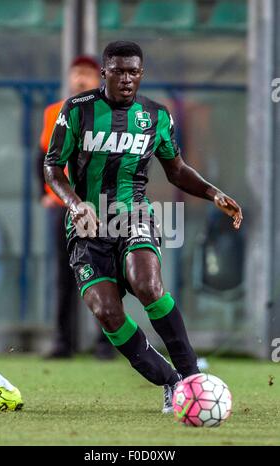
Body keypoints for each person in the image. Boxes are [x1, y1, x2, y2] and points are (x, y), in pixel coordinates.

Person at [44, 41, 243, 413]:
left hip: (133, 215)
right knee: (107, 312)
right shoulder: (77, 111)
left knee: (148, 285)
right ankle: (170, 382)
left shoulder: (156, 116)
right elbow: (53, 167)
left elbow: (177, 169)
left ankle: (191, 378)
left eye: (133, 71)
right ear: (104, 73)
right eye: (118, 71)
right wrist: (75, 204)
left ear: (141, 74)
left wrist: (213, 192)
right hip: (87, 226)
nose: (126, 79)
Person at [38, 55, 115, 359]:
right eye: (77, 73)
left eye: (87, 74)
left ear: (99, 79)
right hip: (65, 206)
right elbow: (43, 157)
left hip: (101, 207)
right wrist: (43, 193)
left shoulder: (109, 112)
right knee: (64, 274)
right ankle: (63, 342)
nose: (81, 79)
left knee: (106, 272)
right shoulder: (55, 112)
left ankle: (106, 342)